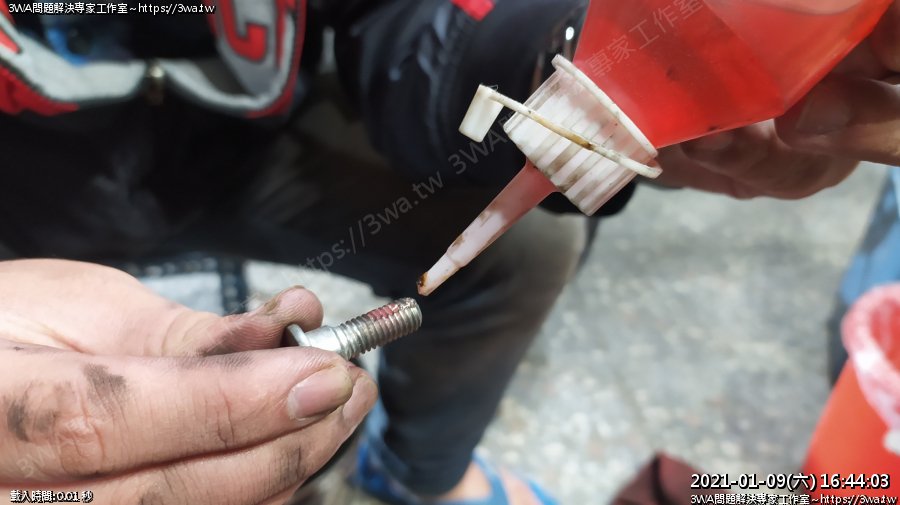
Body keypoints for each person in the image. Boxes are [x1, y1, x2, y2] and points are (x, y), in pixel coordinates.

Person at [0, 1, 897, 504]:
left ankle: (416, 476)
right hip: (29, 204)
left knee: (528, 247)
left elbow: (399, 16)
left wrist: (562, 58)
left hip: (230, 142)